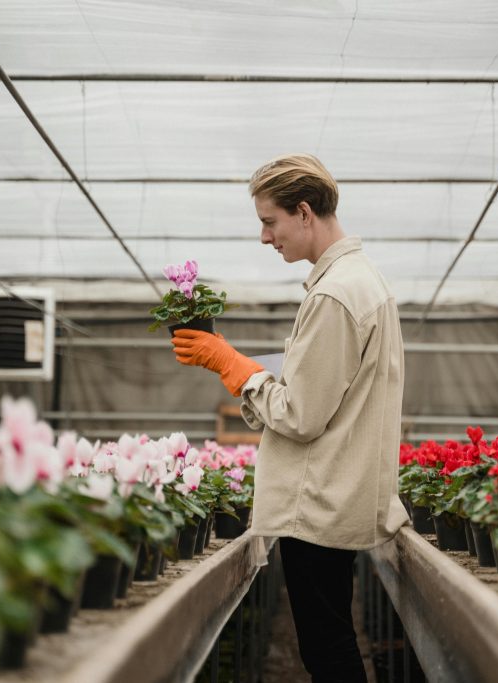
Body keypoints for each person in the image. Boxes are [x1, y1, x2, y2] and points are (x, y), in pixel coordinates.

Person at [171, 153, 409, 682]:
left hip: (319, 507)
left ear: (304, 212)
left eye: (269, 221)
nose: (264, 237)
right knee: (330, 642)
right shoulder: (360, 282)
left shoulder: (335, 294)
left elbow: (301, 416)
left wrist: (233, 367)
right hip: (335, 497)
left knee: (328, 651)